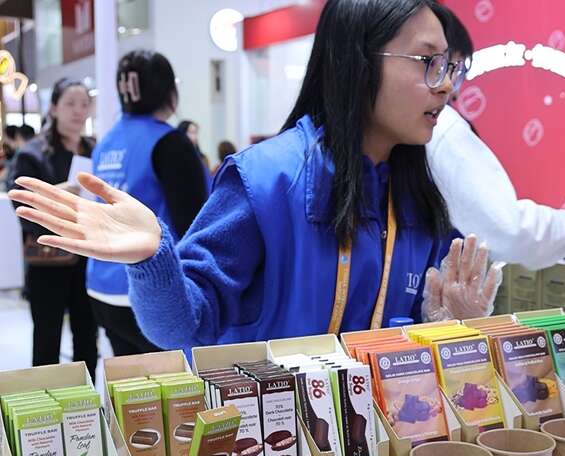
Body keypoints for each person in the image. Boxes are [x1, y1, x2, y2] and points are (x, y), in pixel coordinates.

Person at [10, 0, 502, 353]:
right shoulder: (266, 181)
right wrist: (153, 258)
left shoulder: (418, 198)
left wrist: (447, 330)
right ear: (358, 61)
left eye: (451, 67)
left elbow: (410, 340)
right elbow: (184, 326)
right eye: (429, 62)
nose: (446, 86)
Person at [426, 6, 565, 271]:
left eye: (455, 72)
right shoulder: (442, 126)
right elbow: (507, 230)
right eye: (450, 68)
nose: (449, 87)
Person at [85, 50, 208, 356]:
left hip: (101, 285)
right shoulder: (169, 142)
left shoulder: (105, 143)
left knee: (129, 380)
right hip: (151, 291)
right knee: (176, 382)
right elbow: (195, 223)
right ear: (169, 91)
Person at [9, 78, 98, 376]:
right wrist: (60, 194)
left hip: (89, 258)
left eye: (84, 104)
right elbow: (21, 206)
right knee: (47, 341)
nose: (78, 111)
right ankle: (46, 401)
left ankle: (86, 400)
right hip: (49, 260)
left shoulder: (94, 149)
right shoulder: (33, 153)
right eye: (70, 103)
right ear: (54, 107)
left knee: (88, 338)